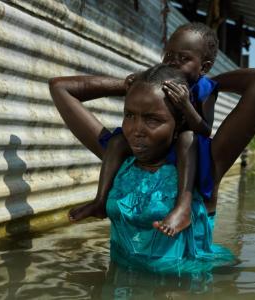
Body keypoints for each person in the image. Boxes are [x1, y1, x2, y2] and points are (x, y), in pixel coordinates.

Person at [49, 63, 255, 274]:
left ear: (178, 124)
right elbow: (60, 88)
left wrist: (197, 83)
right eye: (129, 115)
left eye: (152, 119)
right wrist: (131, 85)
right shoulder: (117, 159)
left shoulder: (205, 166)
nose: (136, 130)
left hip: (185, 290)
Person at [68, 22, 220, 237]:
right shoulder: (159, 79)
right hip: (153, 144)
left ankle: (183, 207)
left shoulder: (205, 90)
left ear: (203, 68)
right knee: (117, 140)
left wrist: (186, 106)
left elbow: (204, 130)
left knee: (188, 138)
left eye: (183, 59)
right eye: (169, 56)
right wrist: (133, 83)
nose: (173, 64)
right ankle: (100, 200)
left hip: (185, 149)